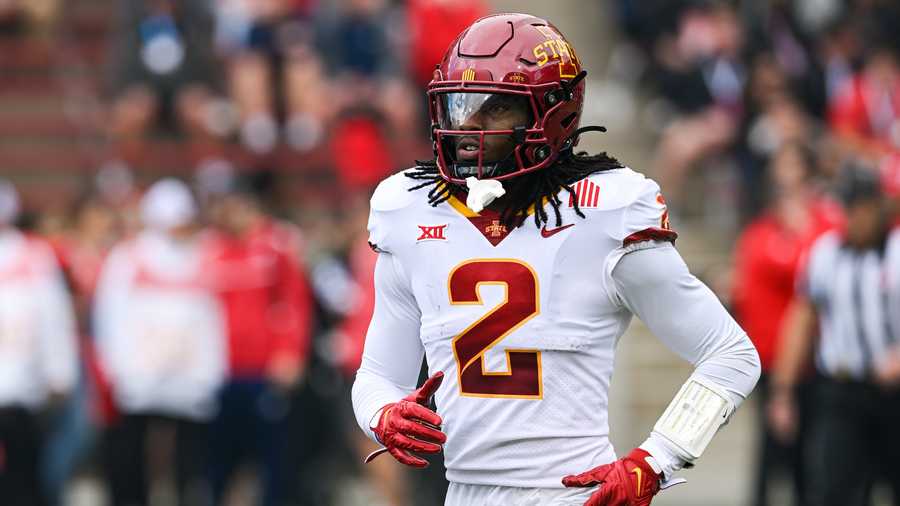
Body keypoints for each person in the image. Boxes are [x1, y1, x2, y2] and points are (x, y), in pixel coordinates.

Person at [351, 13, 761, 506]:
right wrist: (382, 414)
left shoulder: (602, 207)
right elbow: (378, 375)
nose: (467, 127)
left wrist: (657, 458)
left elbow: (732, 355)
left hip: (571, 494)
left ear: (552, 114)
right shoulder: (410, 207)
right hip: (463, 494)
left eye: (493, 109)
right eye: (458, 106)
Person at [769, 163, 900, 506]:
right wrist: (783, 390)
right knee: (832, 491)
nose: (853, 216)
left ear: (878, 206)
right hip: (841, 393)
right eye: (849, 206)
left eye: (861, 206)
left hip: (894, 393)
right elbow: (801, 318)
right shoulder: (826, 252)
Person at [94, 179, 227, 506]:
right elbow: (109, 316)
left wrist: (209, 371)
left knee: (189, 463)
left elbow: (211, 319)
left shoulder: (201, 259)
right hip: (140, 379)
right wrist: (118, 369)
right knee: (131, 458)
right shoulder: (128, 259)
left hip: (188, 381)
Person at [204, 173, 313, 506]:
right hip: (220, 372)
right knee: (221, 457)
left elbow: (294, 302)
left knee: (270, 460)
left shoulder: (276, 246)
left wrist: (290, 353)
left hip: (265, 371)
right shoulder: (212, 249)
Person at [0, 180, 78, 506]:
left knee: (23, 481)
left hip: (22, 392)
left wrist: (60, 373)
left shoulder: (35, 255)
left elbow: (54, 318)